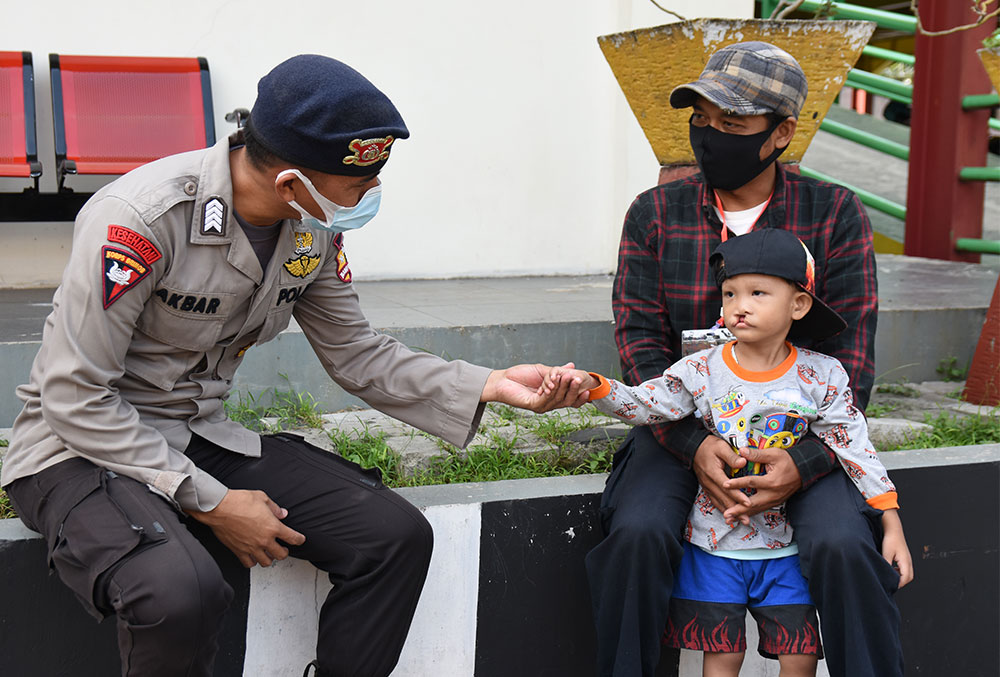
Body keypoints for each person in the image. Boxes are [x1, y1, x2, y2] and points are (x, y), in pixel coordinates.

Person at [0, 54, 587, 677]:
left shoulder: (311, 230)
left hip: (194, 432)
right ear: (289, 183)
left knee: (394, 537)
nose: (371, 197)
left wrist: (492, 384)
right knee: (179, 593)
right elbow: (74, 395)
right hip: (79, 448)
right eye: (359, 187)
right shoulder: (141, 220)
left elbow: (358, 353)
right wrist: (214, 502)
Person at [588, 41, 901, 677]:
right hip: (678, 423)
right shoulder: (656, 213)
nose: (711, 136)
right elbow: (639, 341)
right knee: (639, 533)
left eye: (733, 123)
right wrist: (691, 442)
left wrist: (803, 461)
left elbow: (852, 360)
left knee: (844, 545)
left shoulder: (834, 213)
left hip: (803, 428)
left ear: (781, 132)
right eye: (701, 119)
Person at [542, 228, 913, 677]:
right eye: (730, 293)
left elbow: (855, 447)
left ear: (798, 305)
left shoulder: (822, 374)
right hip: (716, 537)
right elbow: (648, 403)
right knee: (722, 655)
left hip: (783, 544)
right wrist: (594, 386)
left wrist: (890, 523)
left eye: (758, 292)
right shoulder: (701, 369)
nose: (740, 305)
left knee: (799, 655)